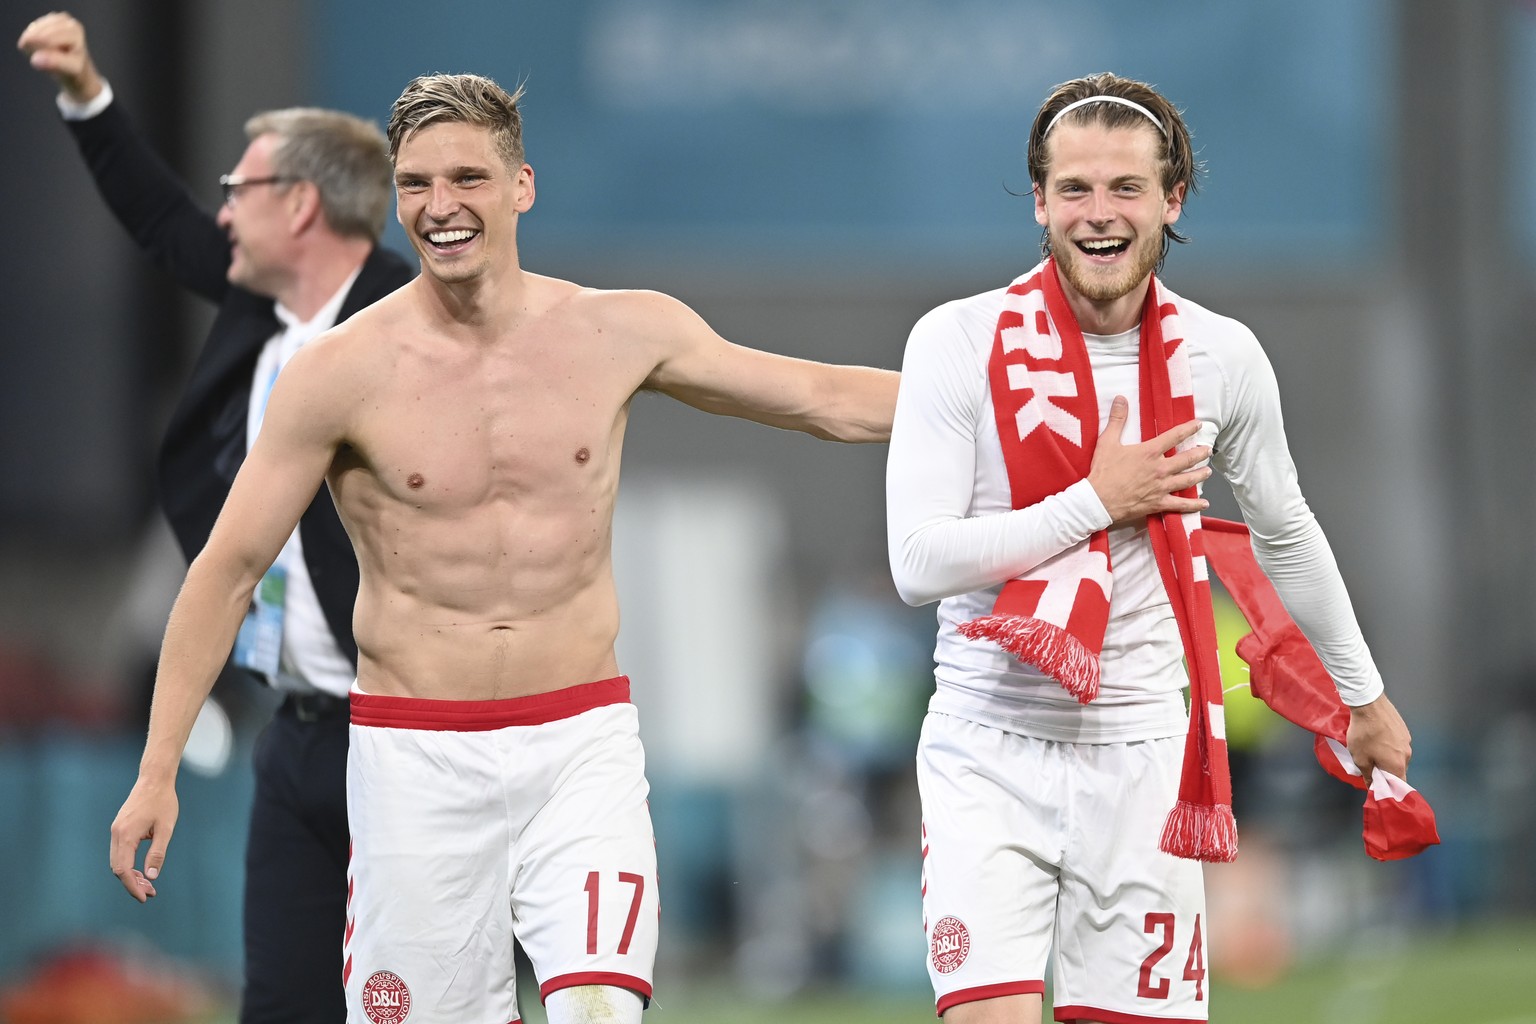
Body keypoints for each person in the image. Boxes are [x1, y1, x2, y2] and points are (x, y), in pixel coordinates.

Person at [105, 71, 898, 1024]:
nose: (440, 208)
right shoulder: (339, 373)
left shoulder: (620, 329)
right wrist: (155, 773)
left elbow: (819, 397)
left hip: (579, 746)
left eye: (468, 178)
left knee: (600, 1007)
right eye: (416, 185)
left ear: (522, 183)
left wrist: (1003, 403)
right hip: (411, 760)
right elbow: (226, 572)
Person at [885, 72, 1413, 1024]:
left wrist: (1362, 699)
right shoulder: (957, 340)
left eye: (1126, 188)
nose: (1100, 214)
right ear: (1039, 199)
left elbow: (1286, 532)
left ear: (1172, 200)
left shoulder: (1224, 354)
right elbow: (917, 562)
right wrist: (1096, 501)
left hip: (1147, 758)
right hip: (986, 749)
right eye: (1075, 189)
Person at [18, 12, 415, 1024]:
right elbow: (160, 219)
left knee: (417, 1001)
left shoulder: (419, 328)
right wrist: (85, 96)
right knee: (281, 999)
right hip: (297, 719)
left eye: (243, 189)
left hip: (410, 733)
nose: (223, 210)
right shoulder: (263, 307)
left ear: (305, 206)